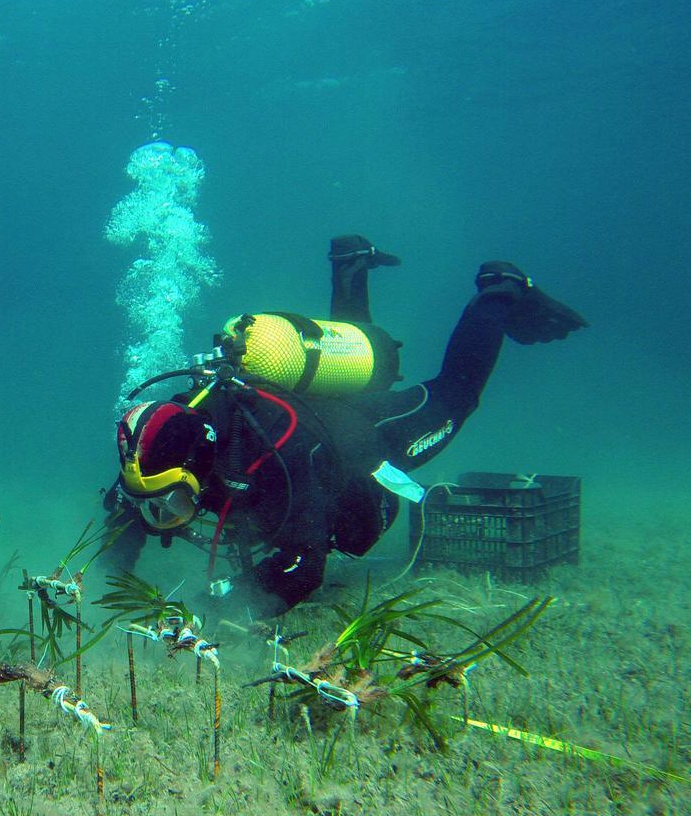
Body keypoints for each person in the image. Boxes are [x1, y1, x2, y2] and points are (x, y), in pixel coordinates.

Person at [103, 235, 587, 616]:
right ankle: (351, 264)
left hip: (367, 434)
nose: (165, 518)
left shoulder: (279, 456)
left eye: (174, 503)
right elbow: (129, 513)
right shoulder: (158, 451)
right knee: (354, 385)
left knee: (456, 395)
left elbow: (302, 568)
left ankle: (497, 293)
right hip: (320, 411)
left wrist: (213, 613)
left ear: (199, 459)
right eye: (158, 506)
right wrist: (106, 583)